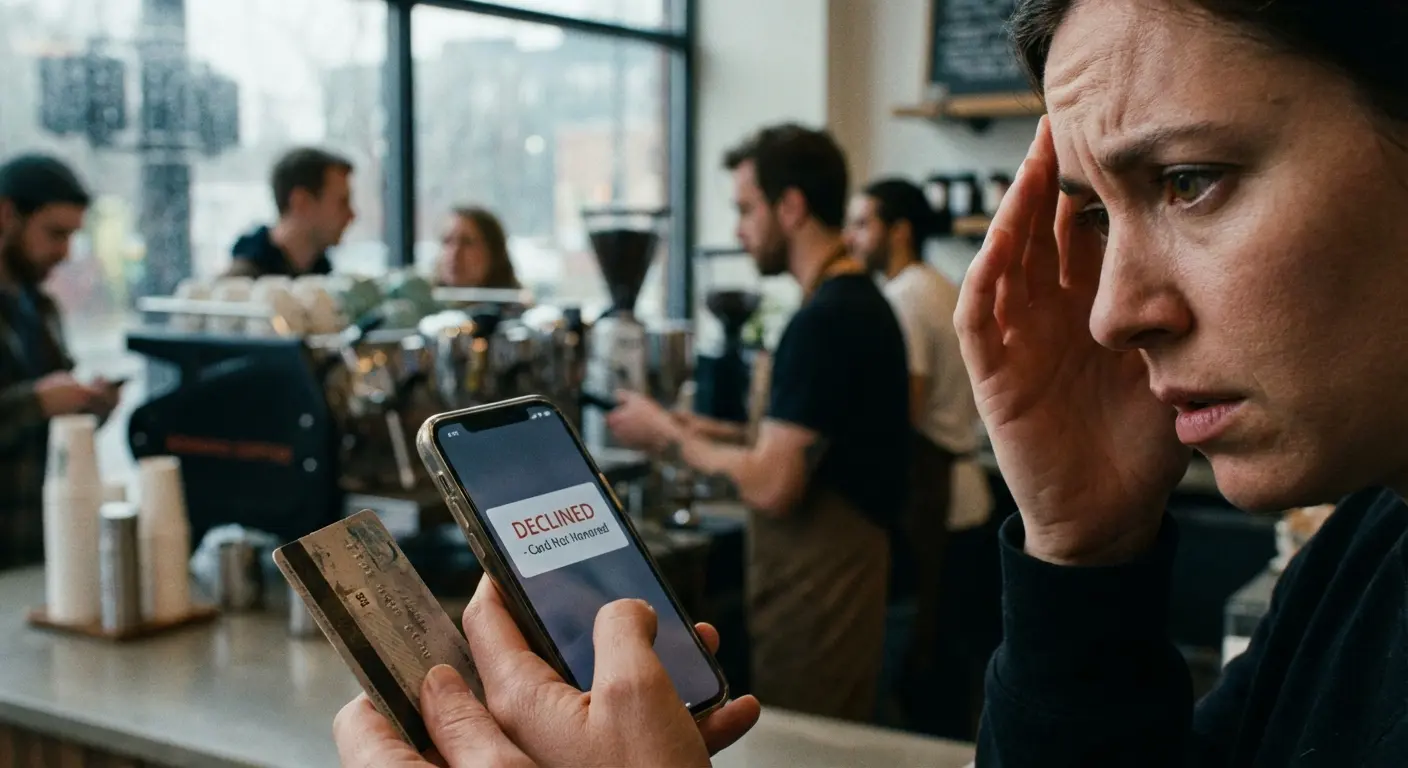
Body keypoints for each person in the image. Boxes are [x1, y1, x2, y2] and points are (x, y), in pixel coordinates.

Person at [955, 0, 1408, 764]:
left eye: (1188, 181)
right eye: (1098, 217)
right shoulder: (1364, 551)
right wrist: (1082, 550)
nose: (1111, 315)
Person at [608, 124, 911, 722]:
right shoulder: (849, 302)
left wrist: (665, 435)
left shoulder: (826, 320)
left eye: (747, 209)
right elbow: (810, 435)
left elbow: (775, 483)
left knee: (812, 749)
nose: (738, 230)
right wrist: (705, 428)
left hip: (824, 595)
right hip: (830, 583)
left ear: (791, 207)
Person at [845, 178, 993, 736]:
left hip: (936, 498)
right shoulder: (940, 285)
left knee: (927, 668)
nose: (852, 238)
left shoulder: (905, 297)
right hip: (965, 494)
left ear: (899, 230)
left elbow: (904, 411)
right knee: (954, 663)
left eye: (864, 224)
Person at [0, 154, 120, 569]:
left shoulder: (42, 309)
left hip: (45, 549)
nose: (65, 252)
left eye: (71, 236)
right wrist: (36, 402)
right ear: (6, 215)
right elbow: (35, 407)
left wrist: (91, 406)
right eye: (55, 233)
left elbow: (51, 436)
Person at [224, 147, 355, 278]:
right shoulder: (240, 285)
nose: (352, 215)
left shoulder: (324, 276)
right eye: (342, 203)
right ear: (301, 203)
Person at [436, 206, 521, 289]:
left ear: (493, 252)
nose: (454, 252)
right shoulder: (431, 294)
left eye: (467, 242)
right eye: (447, 241)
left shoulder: (516, 296)